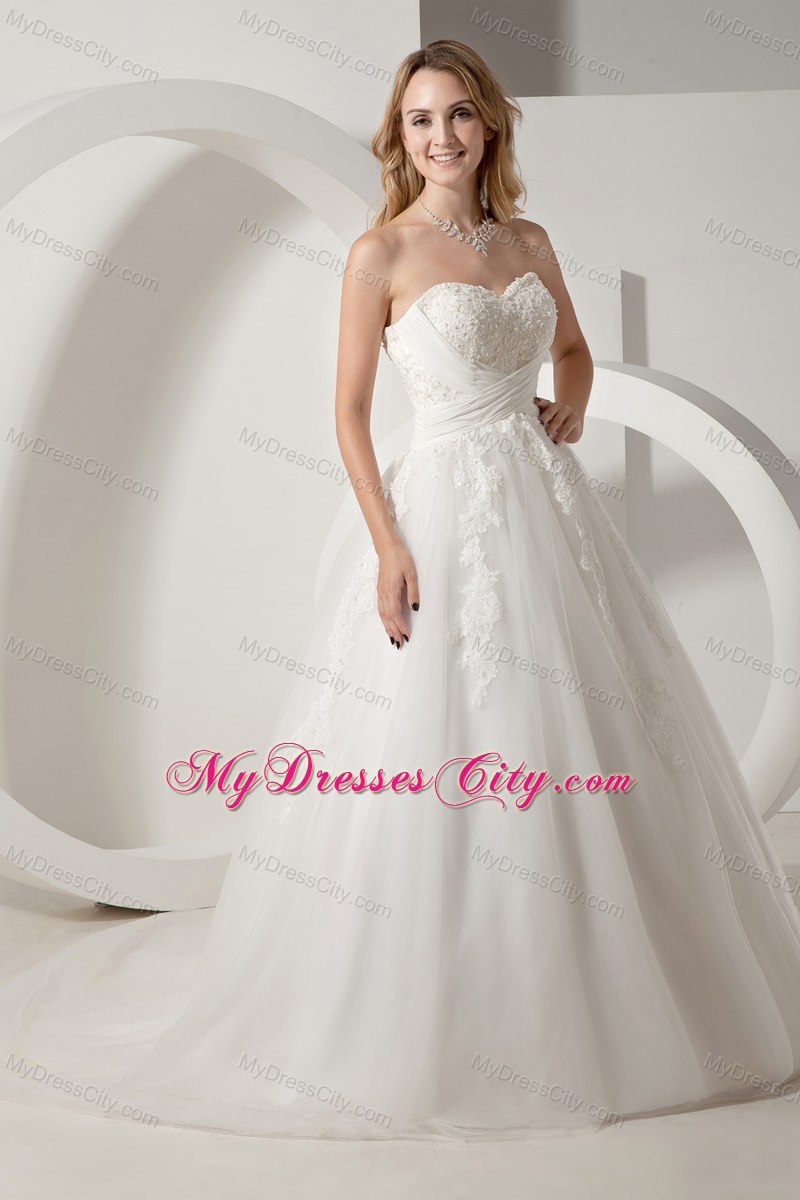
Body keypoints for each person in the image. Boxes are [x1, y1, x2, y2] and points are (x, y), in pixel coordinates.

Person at [2, 38, 800, 1142]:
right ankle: (430, 1008)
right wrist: (386, 544)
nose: (440, 136)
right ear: (400, 135)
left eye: (458, 114)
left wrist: (569, 403)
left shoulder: (527, 240)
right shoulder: (378, 252)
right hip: (440, 506)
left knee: (591, 723)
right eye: (420, 119)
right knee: (442, 729)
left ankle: (615, 993)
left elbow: (571, 349)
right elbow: (345, 414)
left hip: (550, 509)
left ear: (488, 125)